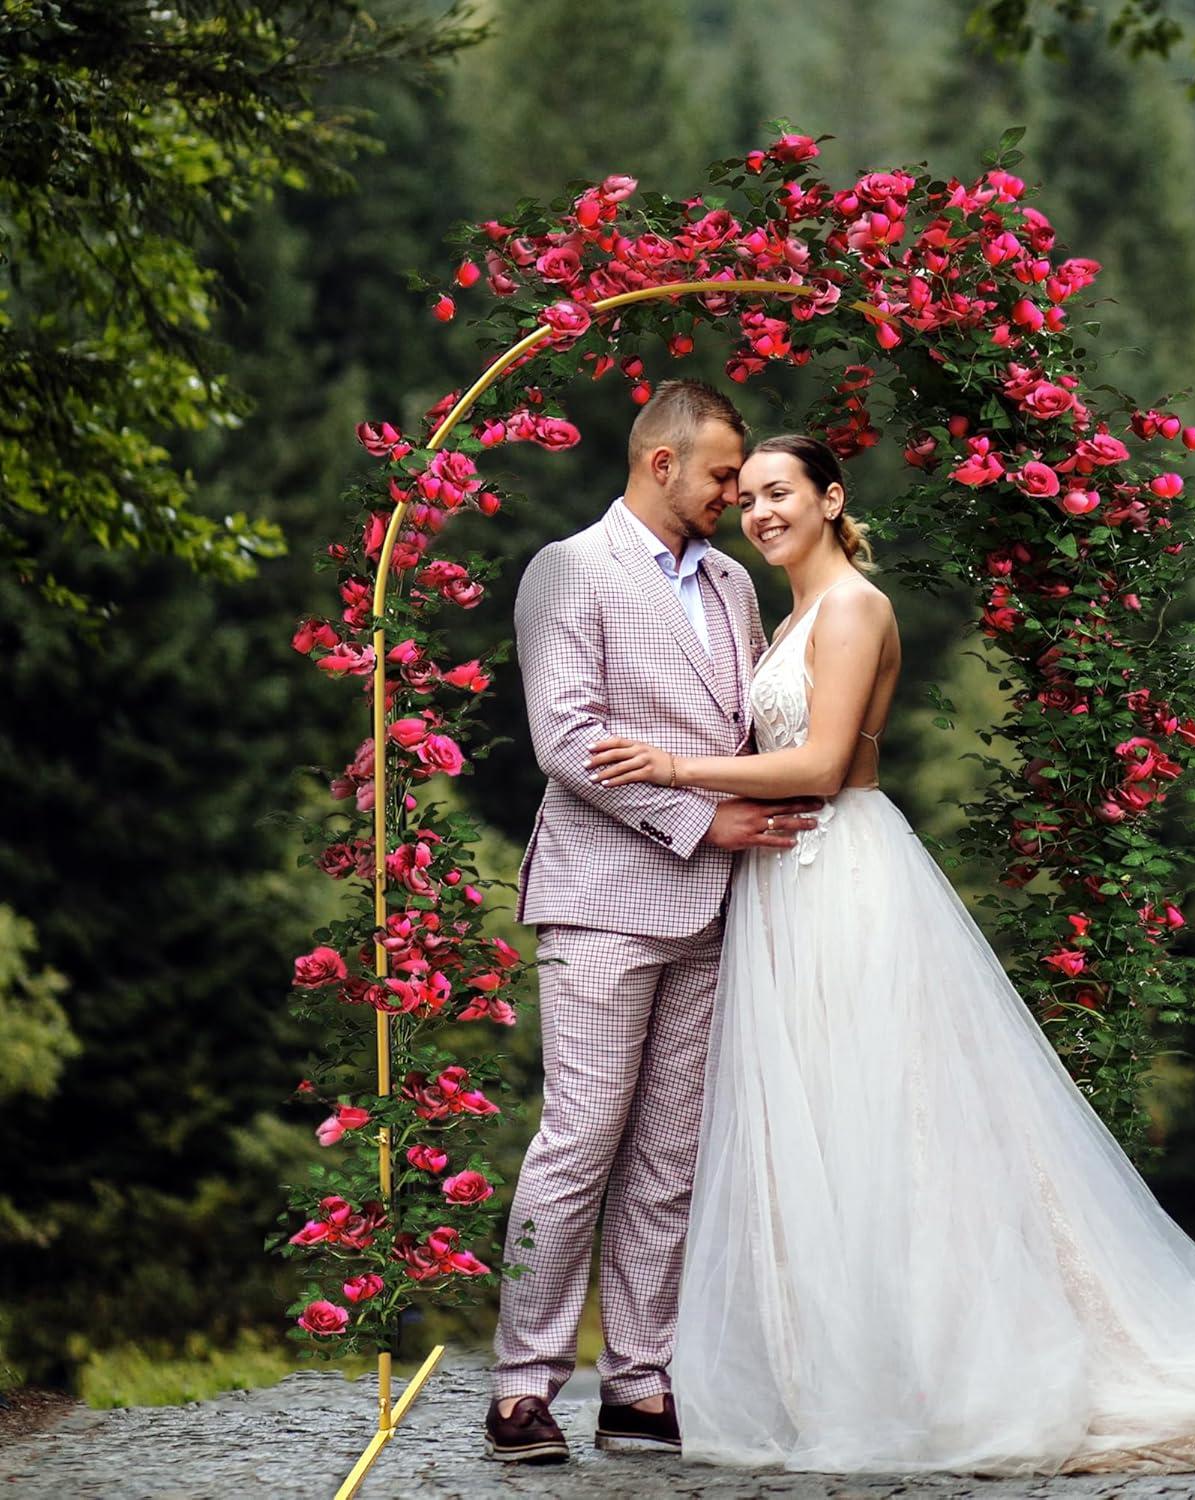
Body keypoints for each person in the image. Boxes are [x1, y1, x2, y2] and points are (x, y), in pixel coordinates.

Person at [585, 433, 1195, 1477]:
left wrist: (674, 769)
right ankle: (847, 1367)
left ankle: (942, 1373)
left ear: (831, 497)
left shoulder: (856, 607)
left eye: (782, 492)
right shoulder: (796, 613)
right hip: (782, 884)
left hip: (838, 875)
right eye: (752, 496)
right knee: (816, 1126)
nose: (763, 511)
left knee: (884, 1119)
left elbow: (818, 762)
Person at [484, 383, 821, 1464]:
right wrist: (703, 817)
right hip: (603, 902)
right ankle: (521, 1389)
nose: (739, 493)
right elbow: (566, 739)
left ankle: (638, 1383)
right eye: (724, 474)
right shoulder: (569, 571)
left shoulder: (730, 584)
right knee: (579, 1142)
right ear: (661, 464)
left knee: (669, 1157)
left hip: (718, 911)